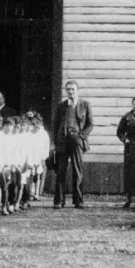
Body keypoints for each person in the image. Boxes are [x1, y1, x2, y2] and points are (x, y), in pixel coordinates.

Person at [51, 80, 94, 209]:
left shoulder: (85, 105)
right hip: (62, 142)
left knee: (78, 170)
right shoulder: (61, 106)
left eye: (73, 89)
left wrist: (81, 135)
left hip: (77, 142)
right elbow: (55, 124)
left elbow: (90, 124)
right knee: (61, 171)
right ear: (66, 91)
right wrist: (53, 142)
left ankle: (78, 200)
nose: (70, 92)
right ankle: (59, 201)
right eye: (68, 89)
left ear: (77, 90)